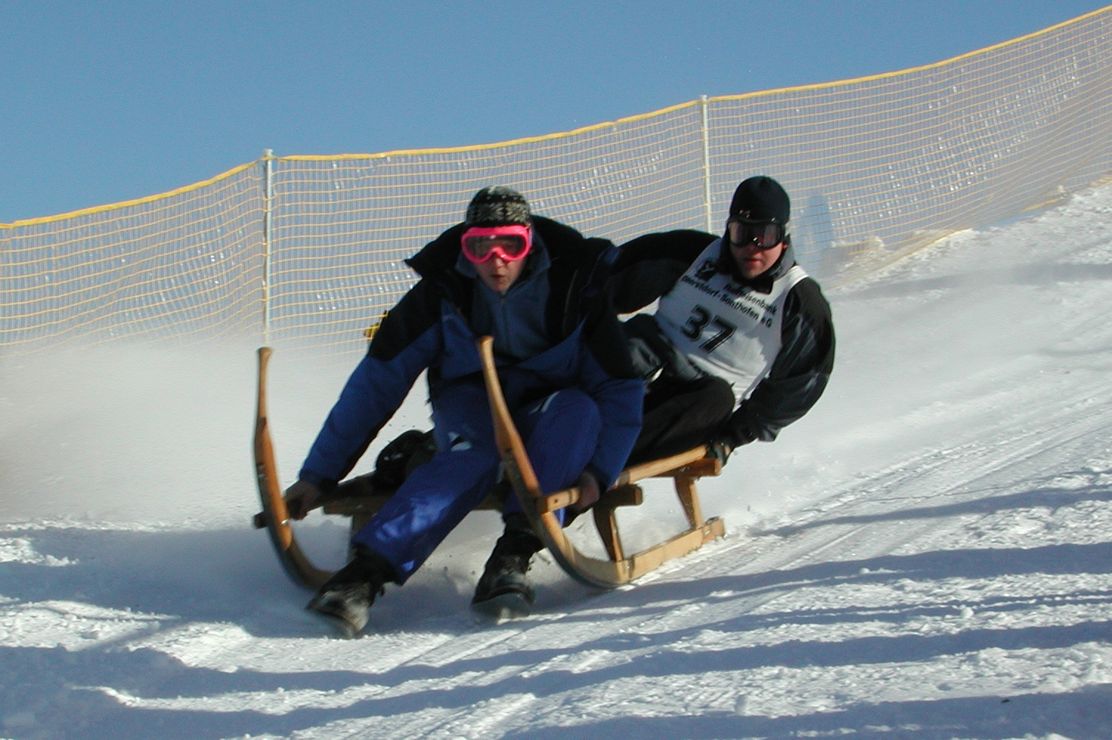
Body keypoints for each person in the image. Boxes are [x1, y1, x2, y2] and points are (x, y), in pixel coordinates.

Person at [282, 186, 643, 635]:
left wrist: (599, 472)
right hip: (473, 401)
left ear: (531, 243)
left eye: (511, 244)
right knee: (475, 453)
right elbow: (377, 382)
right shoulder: (441, 292)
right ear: (464, 248)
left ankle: (514, 554)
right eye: (479, 247)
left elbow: (620, 388)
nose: (496, 260)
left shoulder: (575, 285)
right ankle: (362, 578)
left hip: (549, 404)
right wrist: (319, 474)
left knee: (579, 411)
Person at [611, 175, 835, 464]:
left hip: (691, 403)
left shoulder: (800, 302)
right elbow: (608, 279)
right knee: (609, 340)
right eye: (741, 233)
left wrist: (735, 433)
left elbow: (802, 383)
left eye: (765, 236)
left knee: (717, 399)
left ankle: (594, 469)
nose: (752, 247)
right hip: (639, 363)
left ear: (783, 237)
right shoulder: (691, 252)